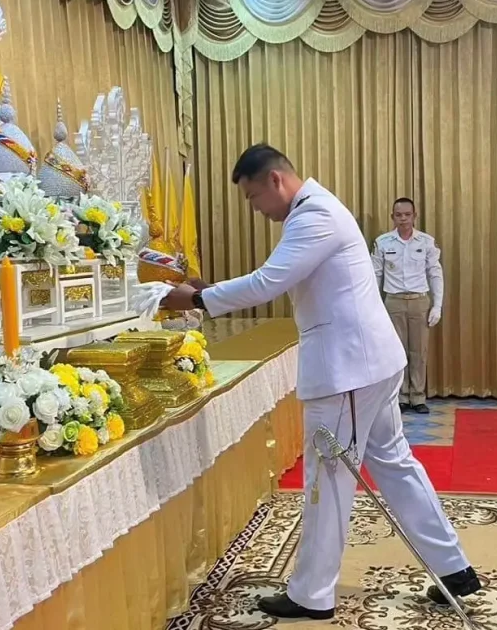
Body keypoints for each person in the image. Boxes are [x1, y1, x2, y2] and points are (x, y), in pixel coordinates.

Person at [161, 144, 479, 620]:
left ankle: (312, 594)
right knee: (395, 465)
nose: (255, 209)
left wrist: (195, 299)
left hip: (349, 371)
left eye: (252, 197)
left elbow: (268, 282)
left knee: (327, 478)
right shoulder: (316, 209)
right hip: (368, 363)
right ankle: (454, 568)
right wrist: (207, 293)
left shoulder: (314, 216)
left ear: (275, 181)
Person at [372, 198, 444, 414]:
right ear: (392, 217)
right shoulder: (383, 242)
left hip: (419, 301)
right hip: (393, 301)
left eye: (407, 214)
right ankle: (401, 396)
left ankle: (418, 396)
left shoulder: (426, 242)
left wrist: (437, 306)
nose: (403, 219)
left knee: (419, 352)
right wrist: (374, 306)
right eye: (398, 215)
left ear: (414, 216)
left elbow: (435, 273)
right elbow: (375, 275)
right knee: (397, 351)